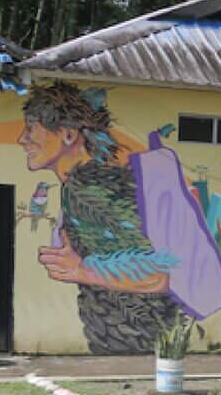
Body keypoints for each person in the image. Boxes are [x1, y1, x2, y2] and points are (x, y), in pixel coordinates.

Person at [17, 82, 180, 353]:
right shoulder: (83, 186)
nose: (22, 139)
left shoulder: (88, 189)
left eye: (32, 129)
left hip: (133, 338)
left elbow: (162, 274)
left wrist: (83, 270)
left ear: (68, 135)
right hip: (121, 335)